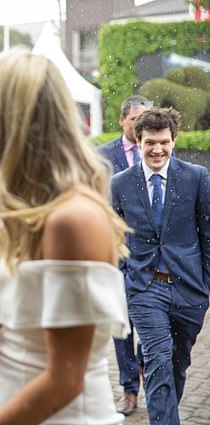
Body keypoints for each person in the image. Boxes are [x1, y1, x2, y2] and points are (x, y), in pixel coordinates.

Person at [0, 49, 130, 424]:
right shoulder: (44, 210)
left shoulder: (73, 219)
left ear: (9, 126)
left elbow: (64, 379)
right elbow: (33, 324)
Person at [111, 107, 210, 425]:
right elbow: (113, 238)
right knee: (157, 359)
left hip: (189, 289)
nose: (157, 149)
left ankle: (166, 412)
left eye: (164, 142)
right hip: (144, 288)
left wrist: (206, 286)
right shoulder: (121, 183)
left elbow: (207, 234)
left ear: (174, 141)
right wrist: (125, 278)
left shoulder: (196, 177)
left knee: (177, 365)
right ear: (137, 141)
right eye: (150, 142)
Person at [97, 94, 152, 416]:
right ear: (122, 120)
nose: (142, 125)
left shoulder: (157, 152)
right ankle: (129, 389)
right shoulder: (103, 157)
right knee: (122, 327)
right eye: (136, 120)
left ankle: (147, 364)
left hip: (152, 257)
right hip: (115, 254)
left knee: (152, 323)